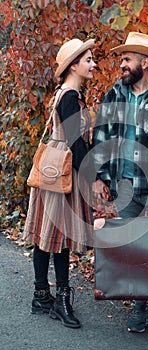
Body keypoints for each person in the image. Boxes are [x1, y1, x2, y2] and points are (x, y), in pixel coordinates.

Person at [92, 32, 148, 337]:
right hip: (126, 186)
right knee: (137, 248)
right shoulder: (114, 94)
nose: (122, 64)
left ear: (144, 62)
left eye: (127, 58)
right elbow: (102, 137)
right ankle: (141, 305)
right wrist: (102, 177)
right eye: (122, 58)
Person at [23, 38, 96, 328]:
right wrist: (95, 177)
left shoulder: (65, 93)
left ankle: (42, 296)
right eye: (88, 59)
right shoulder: (69, 96)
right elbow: (76, 143)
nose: (93, 64)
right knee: (59, 239)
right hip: (62, 173)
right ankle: (60, 300)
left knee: (46, 236)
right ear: (74, 65)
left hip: (53, 170)